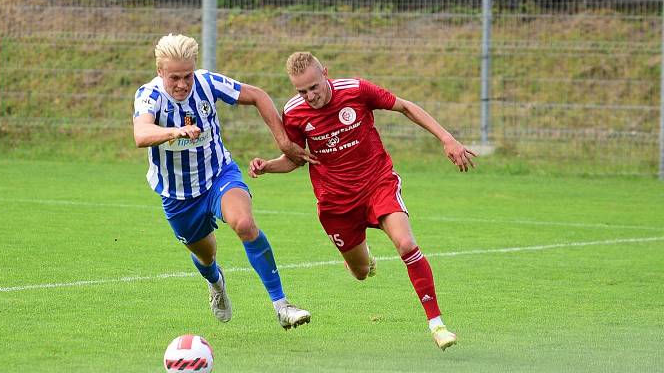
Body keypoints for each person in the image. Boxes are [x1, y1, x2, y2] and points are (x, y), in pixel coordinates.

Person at [249, 52, 476, 349]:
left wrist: (447, 138)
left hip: (376, 184)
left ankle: (437, 324)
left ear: (325, 73)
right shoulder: (294, 113)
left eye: (314, 87)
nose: (310, 96)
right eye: (301, 91)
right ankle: (364, 255)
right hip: (336, 203)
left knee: (406, 244)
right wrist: (267, 166)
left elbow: (405, 107)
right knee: (360, 273)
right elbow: (296, 160)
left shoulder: (356, 90)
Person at [132, 34, 314, 330]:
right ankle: (216, 283)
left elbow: (258, 96)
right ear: (160, 72)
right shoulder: (148, 96)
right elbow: (141, 135)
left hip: (219, 175)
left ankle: (282, 306)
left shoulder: (207, 82)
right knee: (205, 256)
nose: (182, 84)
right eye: (174, 77)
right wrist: (175, 132)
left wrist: (284, 142)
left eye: (187, 76)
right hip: (178, 195)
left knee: (243, 224)